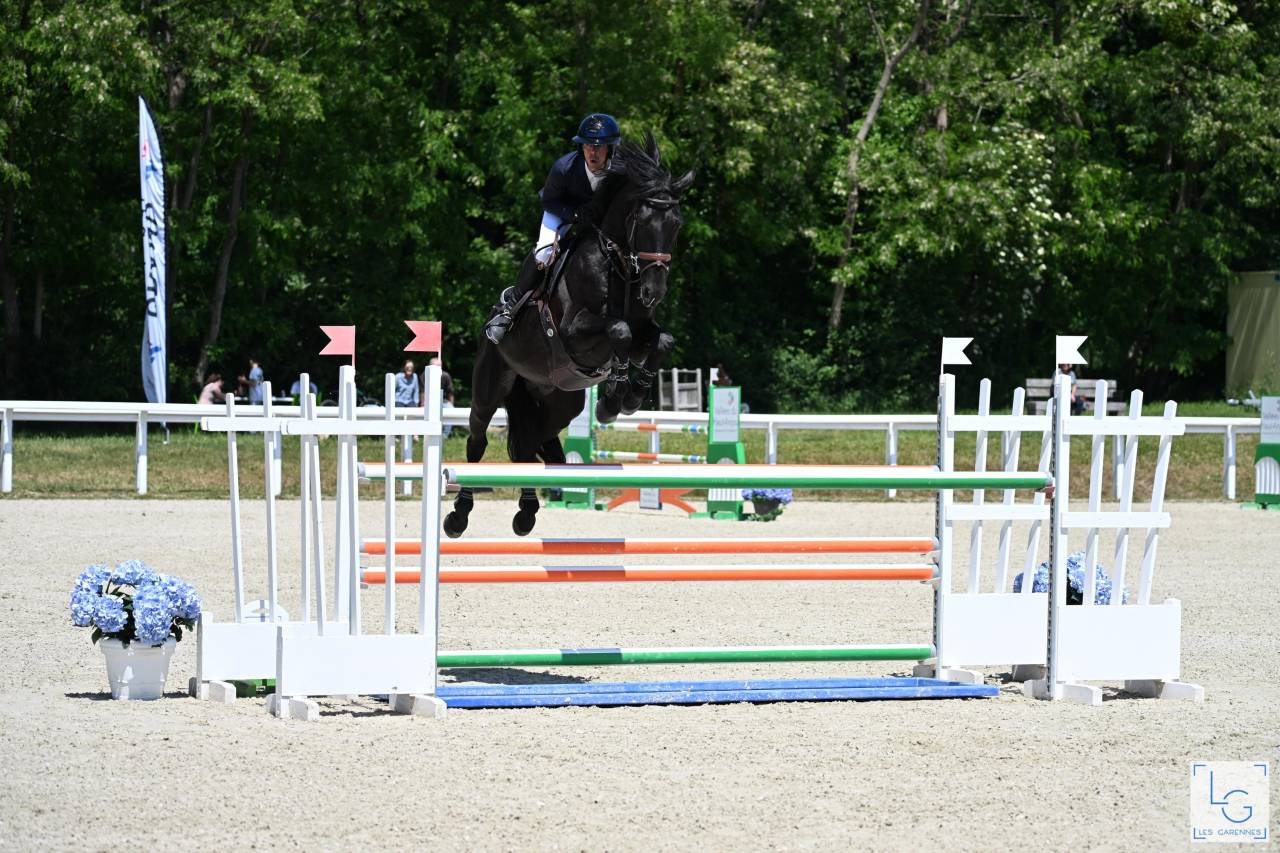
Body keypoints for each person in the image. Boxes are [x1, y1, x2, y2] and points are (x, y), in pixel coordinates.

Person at [484, 113, 623, 345]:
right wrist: (574, 214)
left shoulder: (620, 172)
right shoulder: (564, 167)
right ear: (582, 147)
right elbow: (549, 201)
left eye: (599, 147)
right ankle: (508, 311)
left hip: (598, 219)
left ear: (610, 149)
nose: (593, 152)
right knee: (544, 253)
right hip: (562, 211)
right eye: (588, 146)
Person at [430, 356, 455, 437]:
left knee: (451, 411)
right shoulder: (426, 375)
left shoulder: (445, 376)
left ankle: (444, 436)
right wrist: (423, 404)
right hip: (430, 401)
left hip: (444, 401)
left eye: (440, 366)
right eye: (436, 366)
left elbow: (450, 392)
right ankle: (431, 434)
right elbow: (422, 391)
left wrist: (451, 404)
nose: (439, 368)